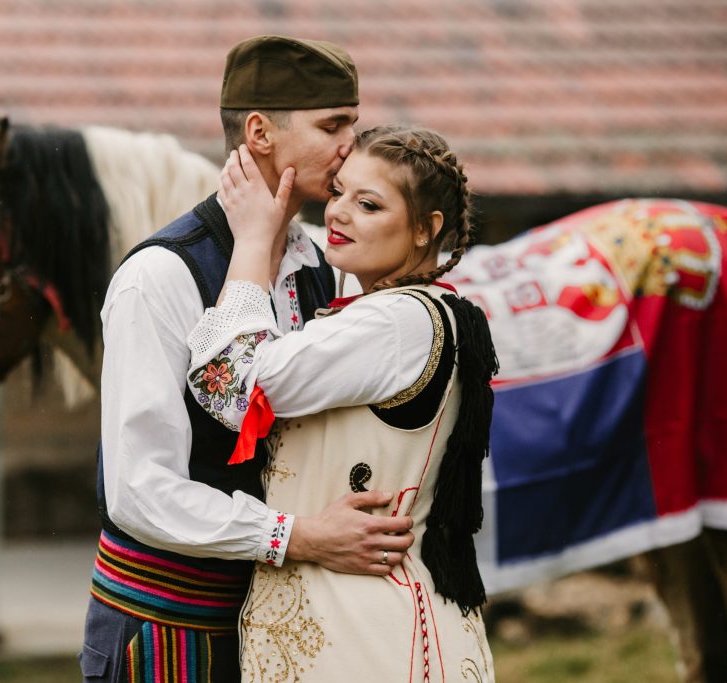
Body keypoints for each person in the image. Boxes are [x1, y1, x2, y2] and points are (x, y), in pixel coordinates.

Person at [80, 36, 416, 682]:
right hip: (168, 624)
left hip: (282, 617)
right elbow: (138, 489)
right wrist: (297, 535)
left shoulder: (322, 262)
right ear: (259, 131)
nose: (353, 143)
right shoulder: (159, 277)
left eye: (353, 120)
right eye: (333, 125)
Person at [185, 126, 499, 680]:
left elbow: (227, 383)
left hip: (369, 639)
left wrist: (254, 243)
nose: (339, 213)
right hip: (355, 626)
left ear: (428, 230)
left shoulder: (394, 321)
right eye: (338, 194)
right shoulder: (405, 312)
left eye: (369, 203)